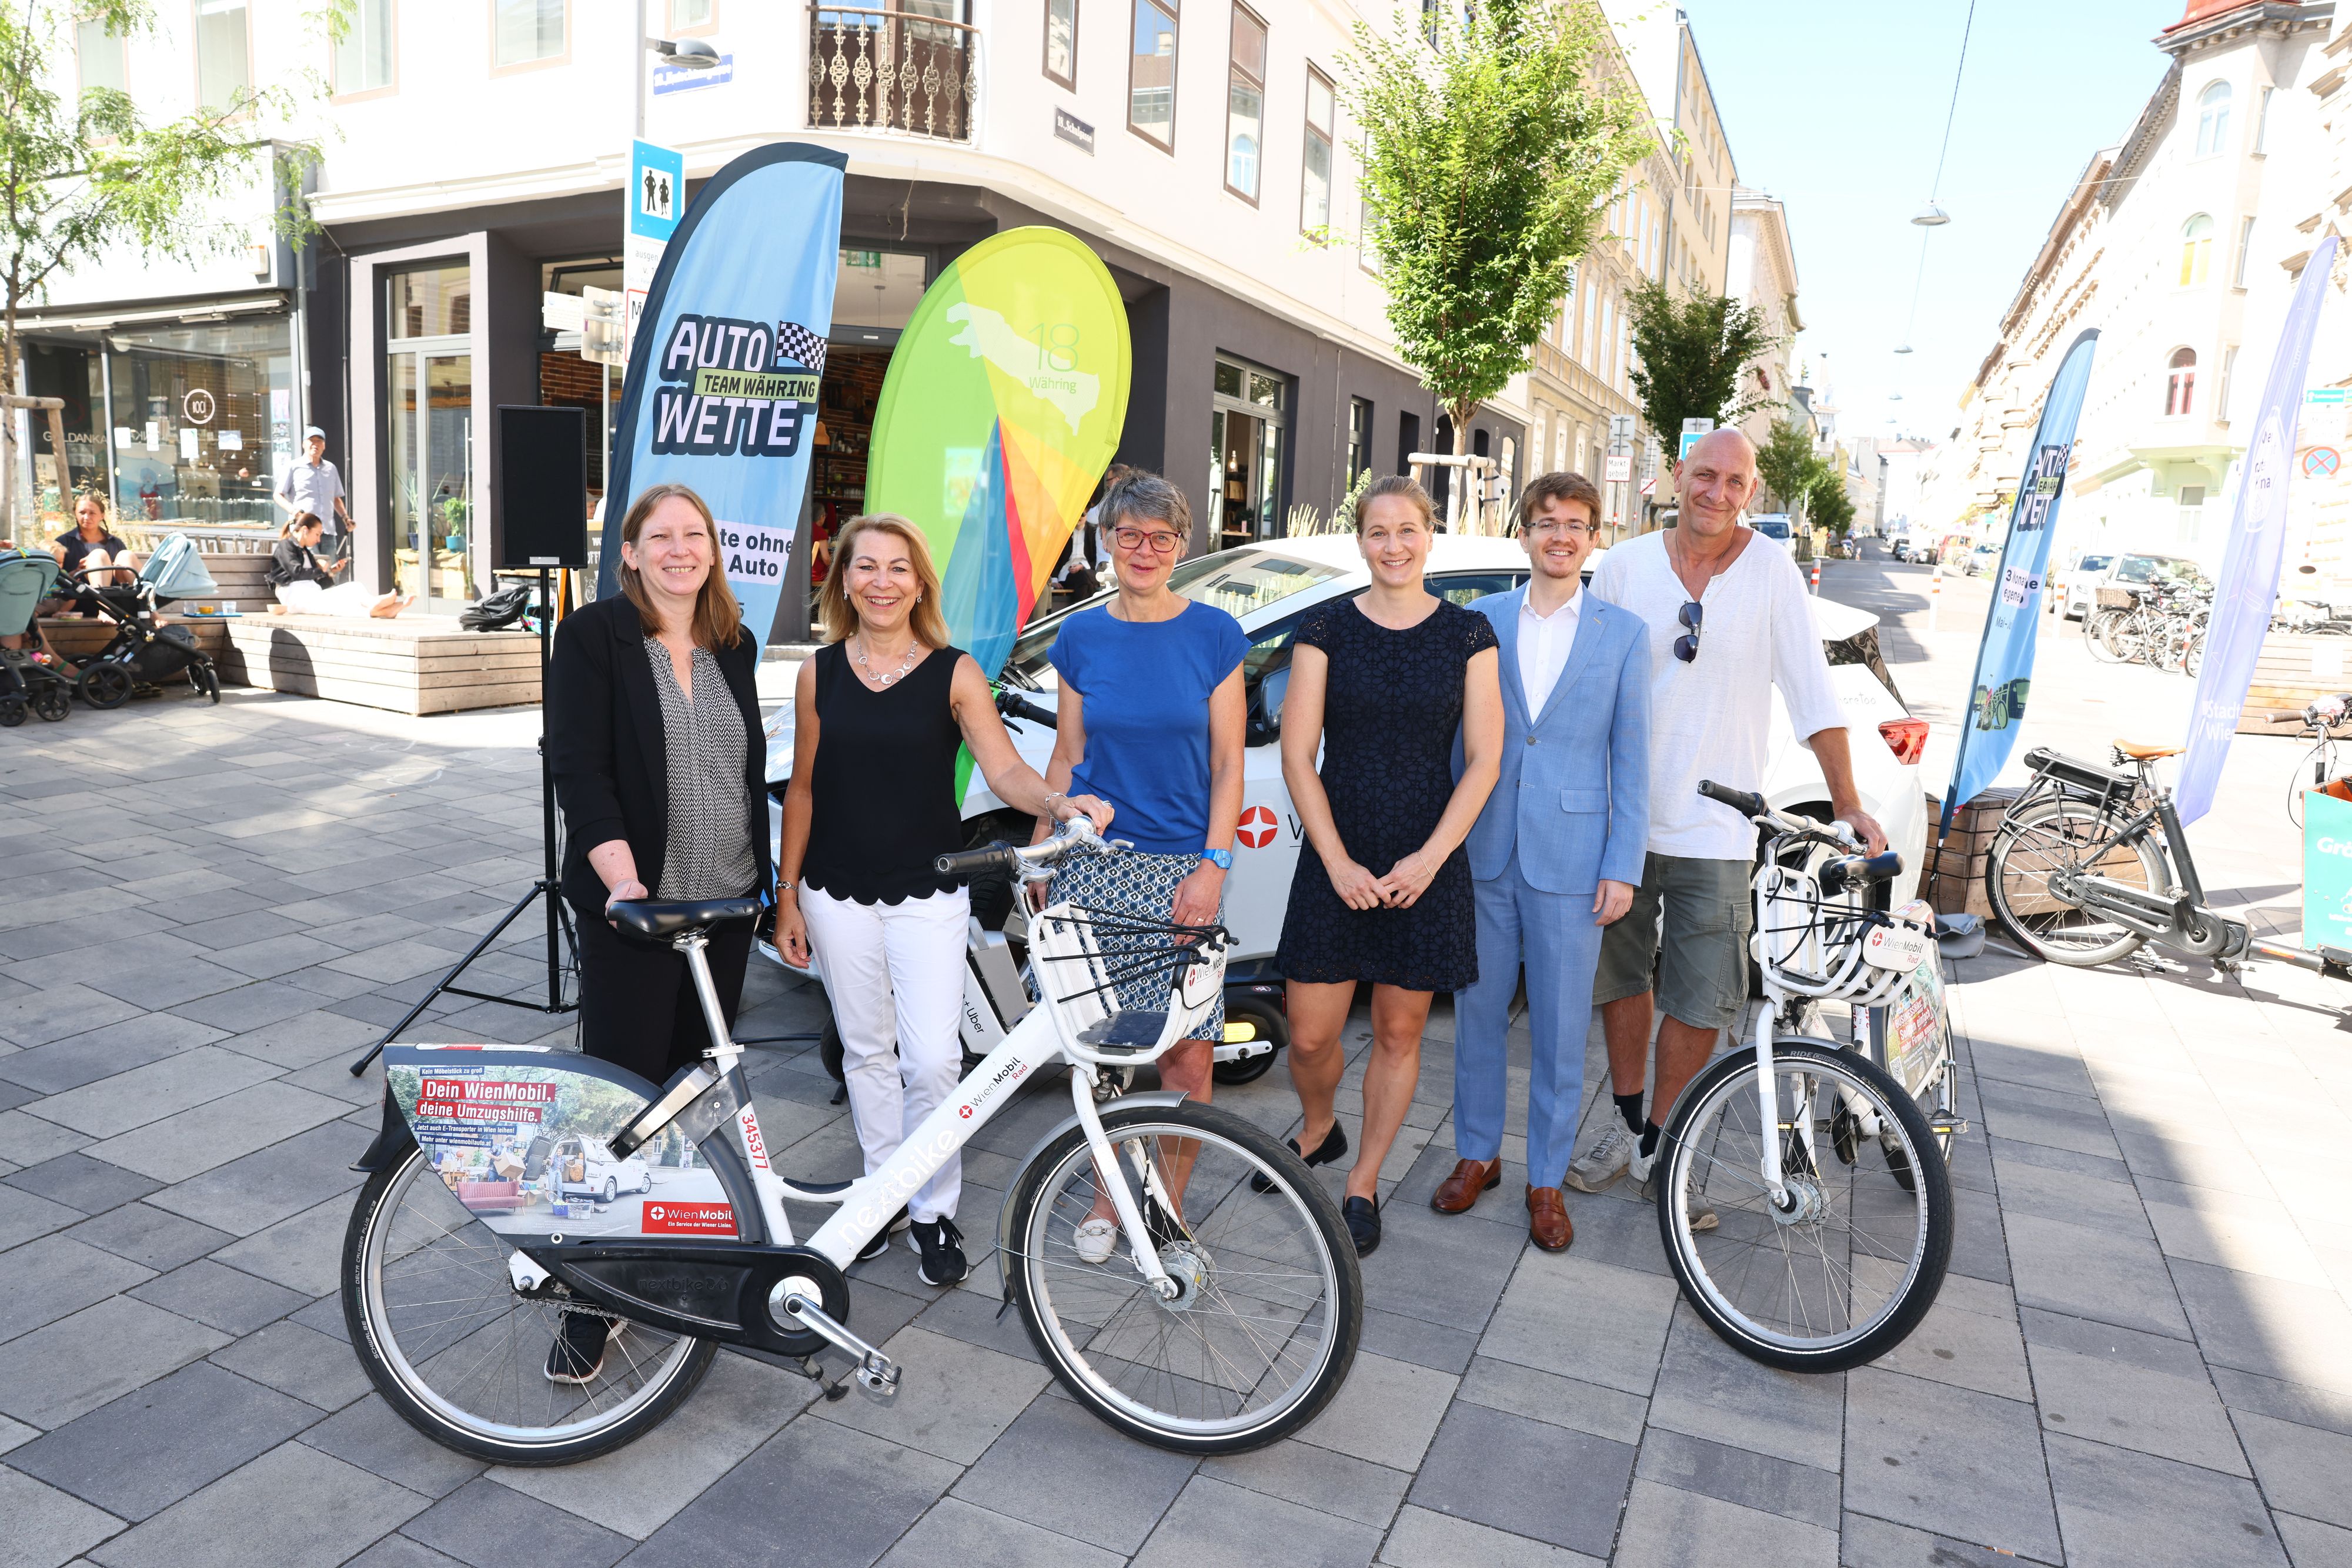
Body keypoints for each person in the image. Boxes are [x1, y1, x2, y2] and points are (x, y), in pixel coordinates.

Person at [774, 513, 1111, 1289]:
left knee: (932, 1058)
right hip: (833, 888)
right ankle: (882, 1199)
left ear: (920, 582)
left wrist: (1058, 803)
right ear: (845, 580)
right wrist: (787, 895)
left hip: (929, 886)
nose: (882, 580)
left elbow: (1004, 769)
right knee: (866, 1052)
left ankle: (933, 1207)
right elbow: (802, 789)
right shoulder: (818, 671)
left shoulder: (954, 671)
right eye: (866, 567)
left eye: (898, 567)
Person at [1575, 429, 1887, 1216]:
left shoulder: (1773, 574)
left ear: (1753, 490)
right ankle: (1627, 1123)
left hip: (1717, 830)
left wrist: (1846, 798)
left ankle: (1665, 1140)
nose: (1717, 492)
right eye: (1704, 475)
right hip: (1624, 821)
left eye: (1735, 481)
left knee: (1700, 998)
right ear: (1676, 476)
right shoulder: (1623, 567)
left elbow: (1815, 694)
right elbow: (1586, 691)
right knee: (1620, 982)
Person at [546, 482, 773, 1385]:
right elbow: (580, 766)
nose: (681, 549)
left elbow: (742, 770)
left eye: (696, 536)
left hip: (724, 908)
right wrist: (623, 880)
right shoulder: (595, 635)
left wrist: (772, 887)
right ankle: (589, 1295)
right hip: (635, 911)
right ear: (631, 551)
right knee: (621, 1104)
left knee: (691, 1099)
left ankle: (668, 1264)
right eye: (661, 537)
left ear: (713, 550)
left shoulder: (735, 641)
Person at [1271, 474, 1503, 1256]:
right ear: (1360, 540)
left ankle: (1363, 1179)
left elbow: (1484, 760)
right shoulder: (1325, 628)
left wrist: (1432, 858)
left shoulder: (1469, 634)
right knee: (1309, 1035)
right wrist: (1336, 860)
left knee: (1402, 1030)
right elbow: (1299, 755)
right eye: (1379, 531)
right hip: (1340, 848)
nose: (1395, 544)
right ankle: (1317, 1126)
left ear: (1430, 536)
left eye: (1409, 529)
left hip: (1425, 857)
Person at [1033, 469, 1245, 1262]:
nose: (1146, 548)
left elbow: (1228, 765)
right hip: (1095, 864)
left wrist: (1214, 866)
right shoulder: (1080, 636)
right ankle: (1104, 1196)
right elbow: (1068, 752)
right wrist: (1044, 851)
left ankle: (1164, 1204)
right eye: (1130, 535)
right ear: (1108, 542)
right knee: (1100, 1045)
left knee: (1186, 1051)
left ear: (1182, 546)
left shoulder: (1216, 635)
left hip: (1185, 867)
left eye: (1162, 536)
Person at [1439, 472, 1648, 1253]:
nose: (1560, 535)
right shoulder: (1479, 622)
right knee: (1476, 1017)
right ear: (1522, 532)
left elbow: (1631, 757)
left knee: (1562, 1032)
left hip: (1574, 856)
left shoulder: (1623, 633)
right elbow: (1460, 742)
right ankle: (1477, 1153)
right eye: (1546, 521)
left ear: (1597, 536)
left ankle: (1547, 1179)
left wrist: (1623, 863)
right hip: (1485, 848)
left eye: (1576, 524)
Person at [267, 514, 410, 617]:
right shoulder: (285, 546)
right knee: (334, 602)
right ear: (305, 530)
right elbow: (295, 572)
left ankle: (376, 605)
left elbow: (318, 581)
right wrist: (320, 570)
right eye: (317, 534)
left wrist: (331, 573)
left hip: (310, 592)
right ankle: (377, 609)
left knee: (355, 586)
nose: (318, 540)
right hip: (294, 595)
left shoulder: (306, 552)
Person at [276, 427, 353, 571]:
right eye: (311, 441)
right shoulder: (293, 467)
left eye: (319, 441)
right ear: (304, 444)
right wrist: (294, 512)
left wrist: (346, 519)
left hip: (328, 531)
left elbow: (335, 498)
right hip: (304, 531)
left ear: (324, 446)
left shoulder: (331, 469)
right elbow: (277, 495)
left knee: (331, 573)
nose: (315, 444)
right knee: (312, 570)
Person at [48, 492, 136, 607]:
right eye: (82, 513)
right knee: (99, 555)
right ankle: (104, 607)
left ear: (102, 515)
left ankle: (149, 608)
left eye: (92, 513)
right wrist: (74, 573)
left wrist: (112, 569)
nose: (86, 517)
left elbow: (122, 579)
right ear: (75, 514)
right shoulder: (63, 542)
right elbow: (52, 580)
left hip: (116, 602)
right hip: (78, 601)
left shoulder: (116, 543)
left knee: (126, 555)